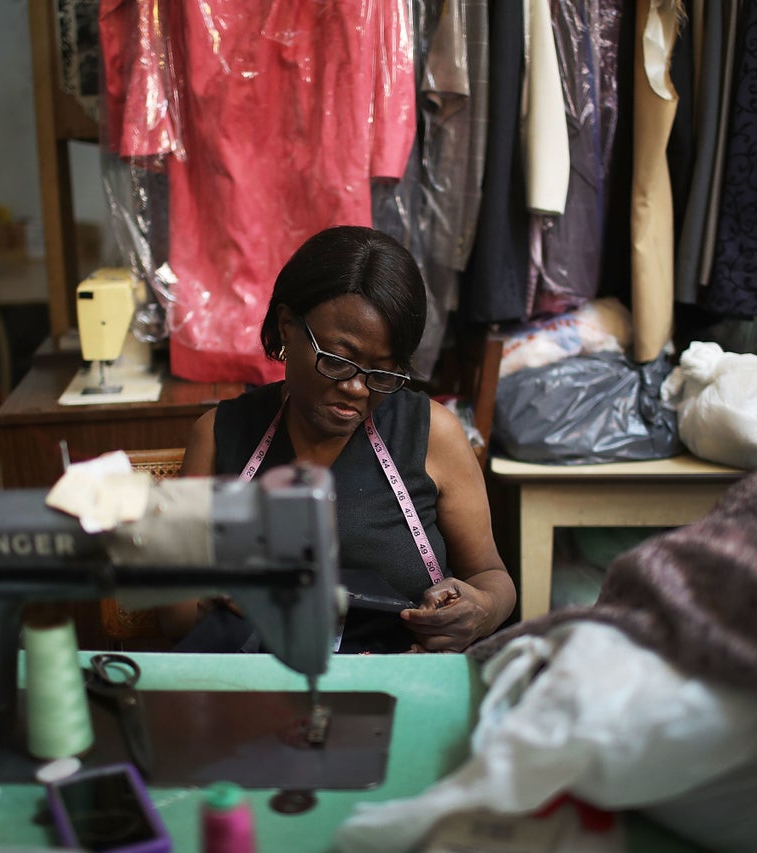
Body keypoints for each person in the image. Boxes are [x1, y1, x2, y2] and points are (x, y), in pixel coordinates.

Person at [175, 225, 515, 653]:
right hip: (258, 690)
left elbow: (491, 576)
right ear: (286, 328)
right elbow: (175, 608)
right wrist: (216, 599)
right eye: (339, 361)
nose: (357, 389)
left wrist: (479, 608)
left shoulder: (433, 435)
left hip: (398, 685)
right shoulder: (219, 435)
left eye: (382, 373)